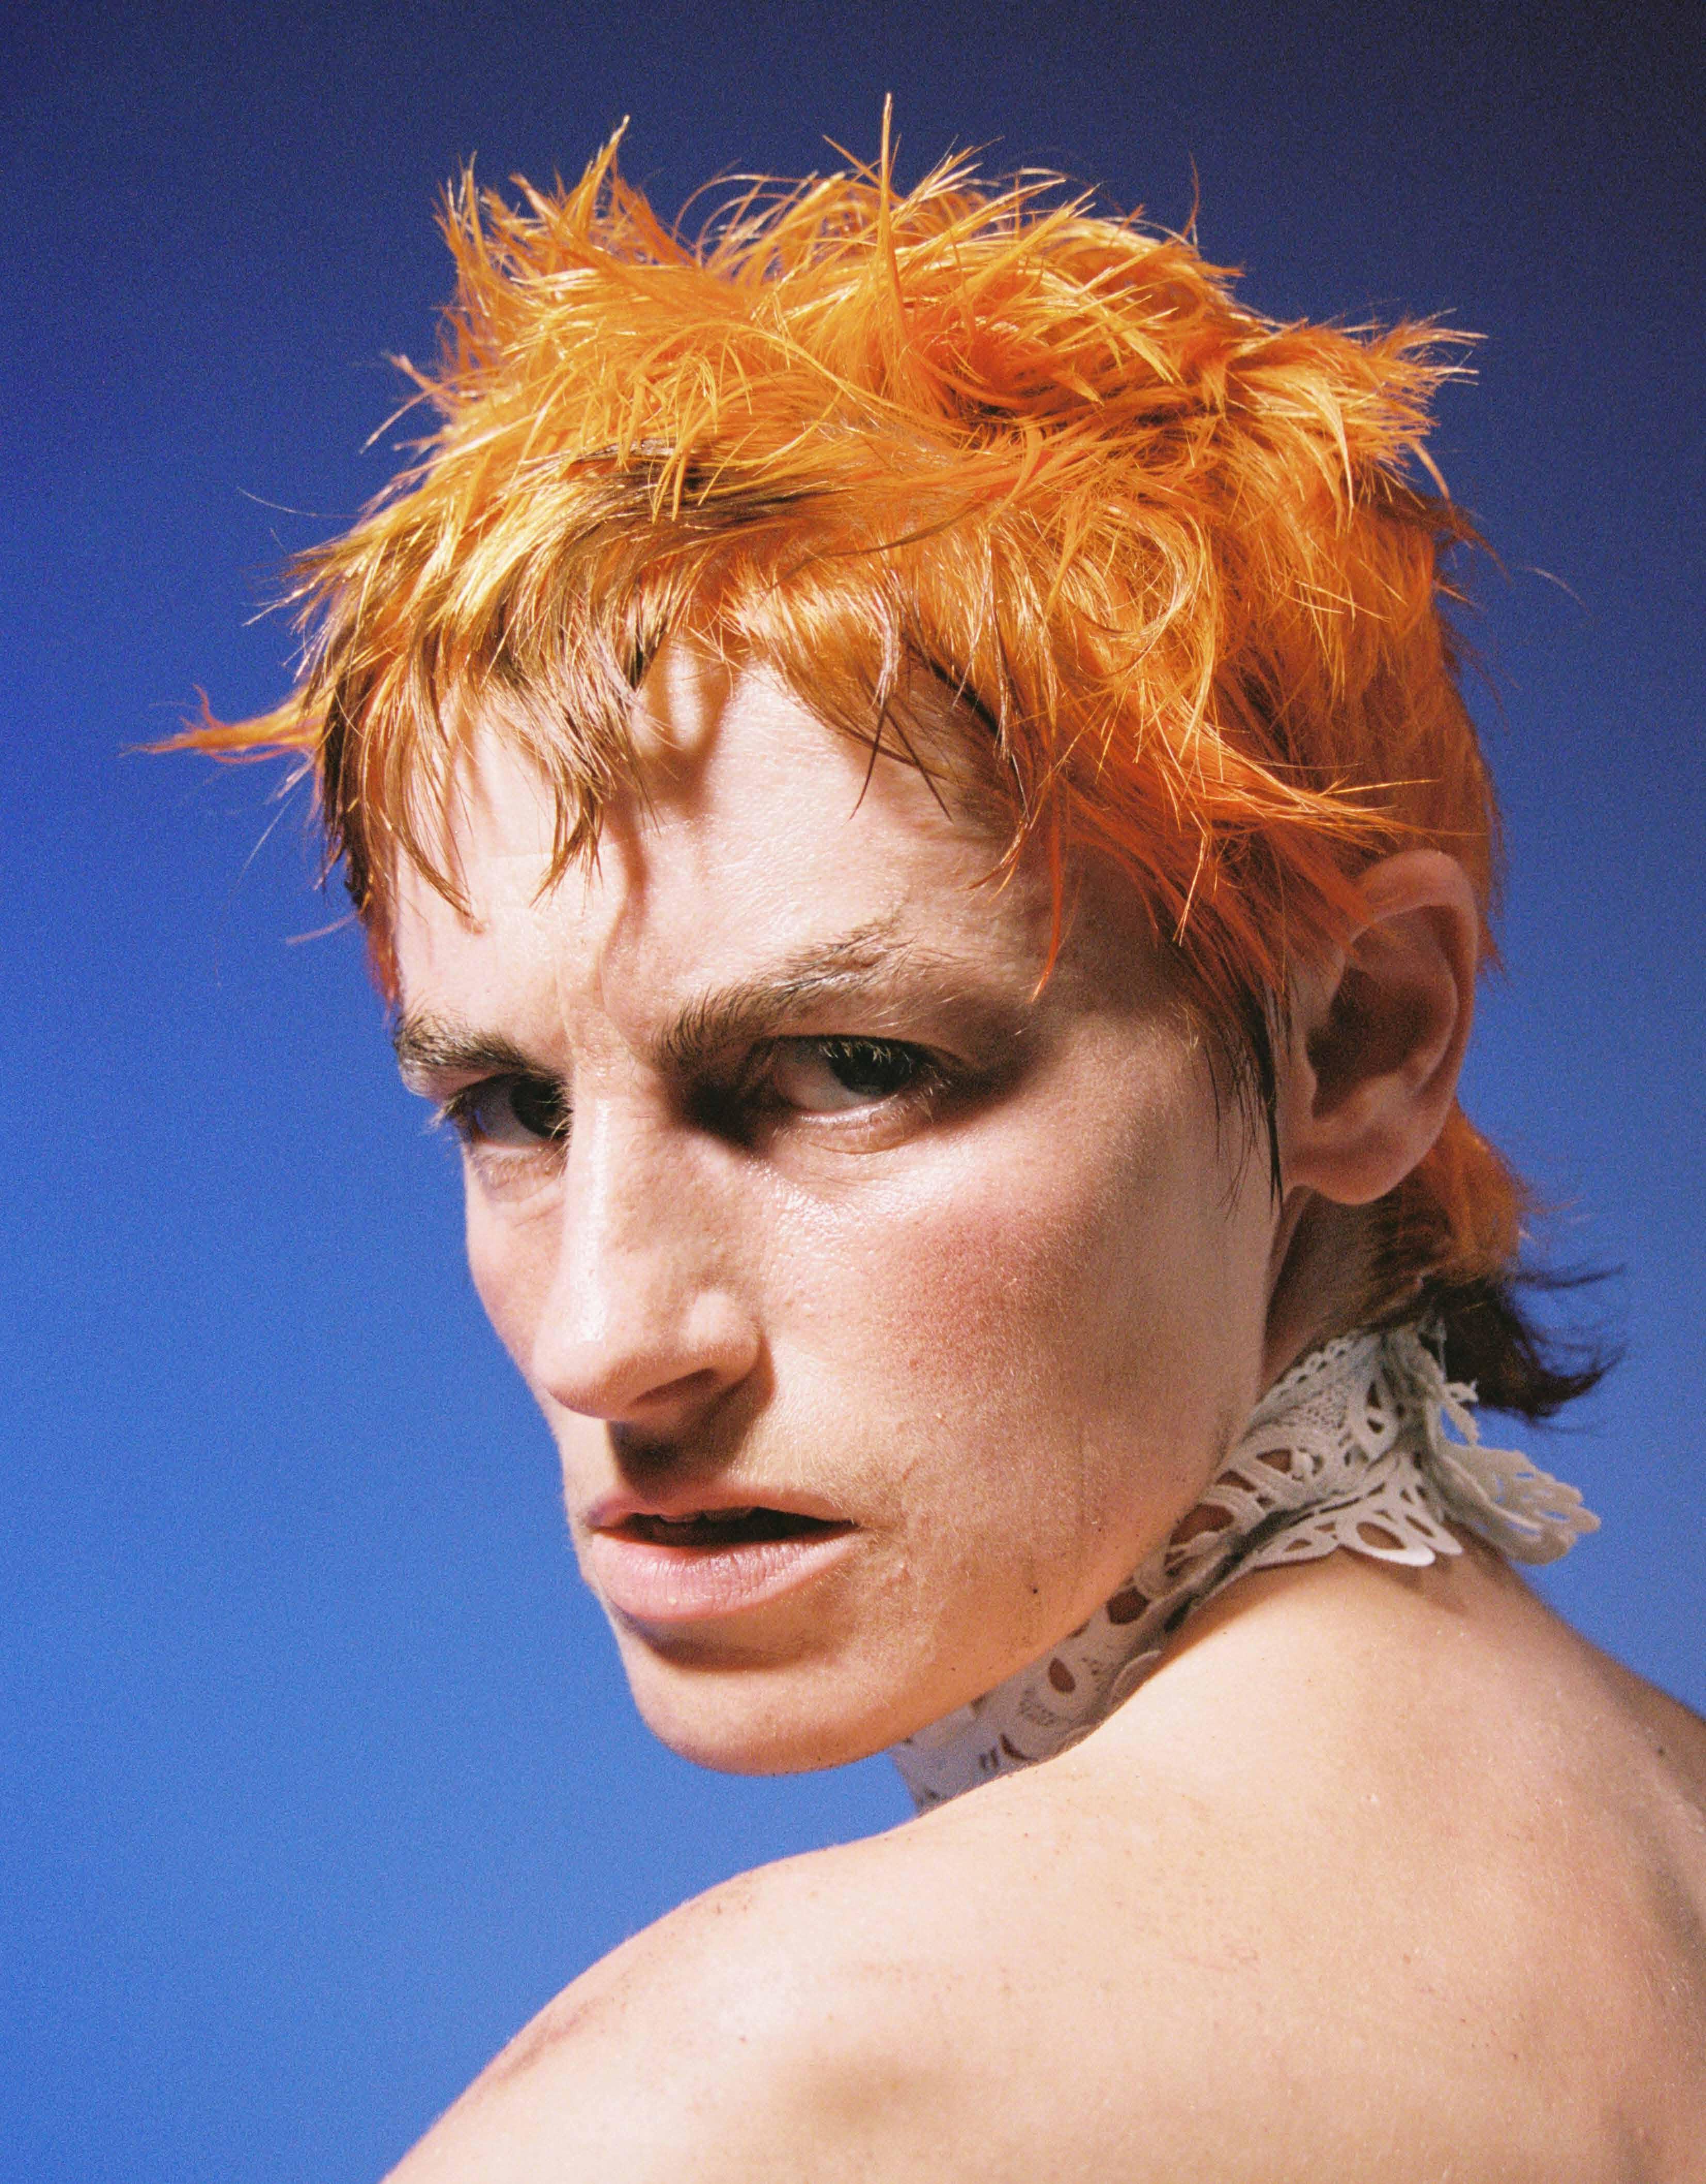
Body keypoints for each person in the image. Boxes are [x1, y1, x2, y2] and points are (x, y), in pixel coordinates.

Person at [181, 127, 1706, 2180]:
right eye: (513, 1110)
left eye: (847, 1069)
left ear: (1364, 1039)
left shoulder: (742, 2104)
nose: (607, 1339)